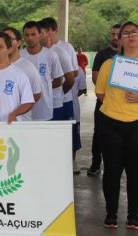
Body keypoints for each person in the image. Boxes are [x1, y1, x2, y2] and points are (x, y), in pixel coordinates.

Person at [95, 21, 138, 230]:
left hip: (136, 124)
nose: (131, 36)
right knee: (111, 171)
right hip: (110, 124)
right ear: (119, 39)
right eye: (126, 33)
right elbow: (100, 93)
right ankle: (111, 214)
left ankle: (134, 216)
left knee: (135, 172)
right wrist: (116, 107)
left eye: (135, 33)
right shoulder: (109, 65)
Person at [88, 24, 121, 176]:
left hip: (125, 108)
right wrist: (110, 98)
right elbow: (95, 79)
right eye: (112, 34)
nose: (115, 37)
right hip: (103, 104)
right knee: (99, 134)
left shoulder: (131, 57)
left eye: (117, 34)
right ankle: (96, 164)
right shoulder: (102, 55)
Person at [20, 21, 64, 121]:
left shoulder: (51, 55)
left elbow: (59, 80)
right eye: (27, 35)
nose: (30, 38)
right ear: (23, 37)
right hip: (24, 112)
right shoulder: (19, 56)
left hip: (44, 110)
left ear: (40, 35)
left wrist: (44, 86)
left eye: (33, 34)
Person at [72, 67, 87, 166]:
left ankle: (72, 162)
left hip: (73, 110)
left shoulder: (78, 69)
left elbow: (83, 88)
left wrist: (73, 96)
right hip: (54, 109)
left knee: (73, 139)